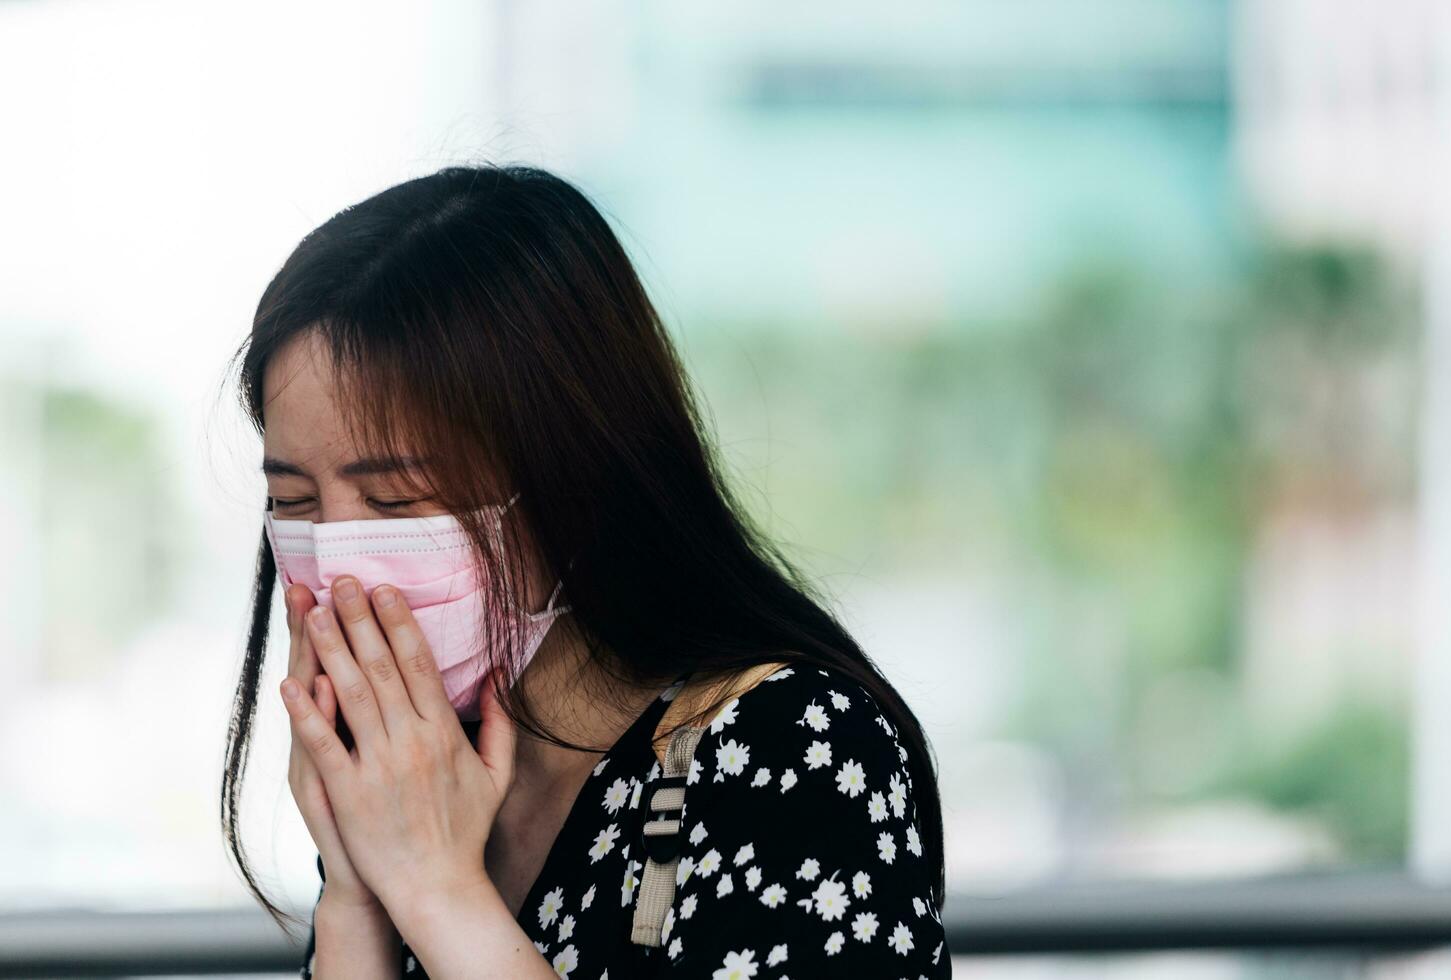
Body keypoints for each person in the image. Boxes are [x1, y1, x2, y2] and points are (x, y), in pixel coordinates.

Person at [220, 162, 952, 978]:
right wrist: (355, 897)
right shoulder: (412, 775)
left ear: (573, 475)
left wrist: (437, 891)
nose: (343, 571)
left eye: (394, 500)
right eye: (294, 501)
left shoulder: (792, 749)